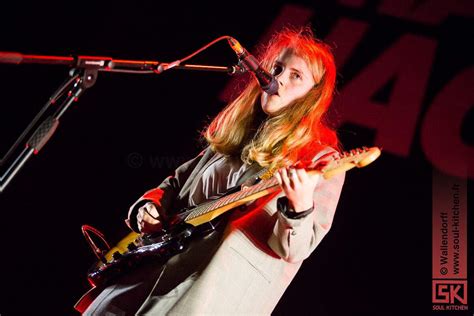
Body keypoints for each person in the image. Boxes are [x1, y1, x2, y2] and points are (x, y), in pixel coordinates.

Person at [79, 26, 345, 315]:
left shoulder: (319, 159)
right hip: (142, 277)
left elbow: (293, 251)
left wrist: (300, 209)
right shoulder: (236, 133)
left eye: (296, 76)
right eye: (277, 68)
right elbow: (175, 183)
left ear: (313, 95)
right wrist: (149, 207)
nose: (278, 79)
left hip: (206, 295)